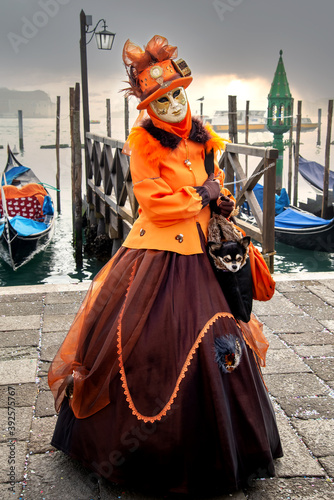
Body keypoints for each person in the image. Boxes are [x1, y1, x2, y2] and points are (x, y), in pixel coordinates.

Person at [48, 35, 282, 496]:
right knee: (143, 338)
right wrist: (200, 195)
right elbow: (153, 203)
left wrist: (221, 196)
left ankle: (227, 444)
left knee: (221, 340)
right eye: (162, 100)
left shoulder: (203, 138)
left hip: (205, 250)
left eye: (177, 95)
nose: (174, 105)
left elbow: (219, 193)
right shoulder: (143, 145)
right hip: (159, 250)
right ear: (148, 107)